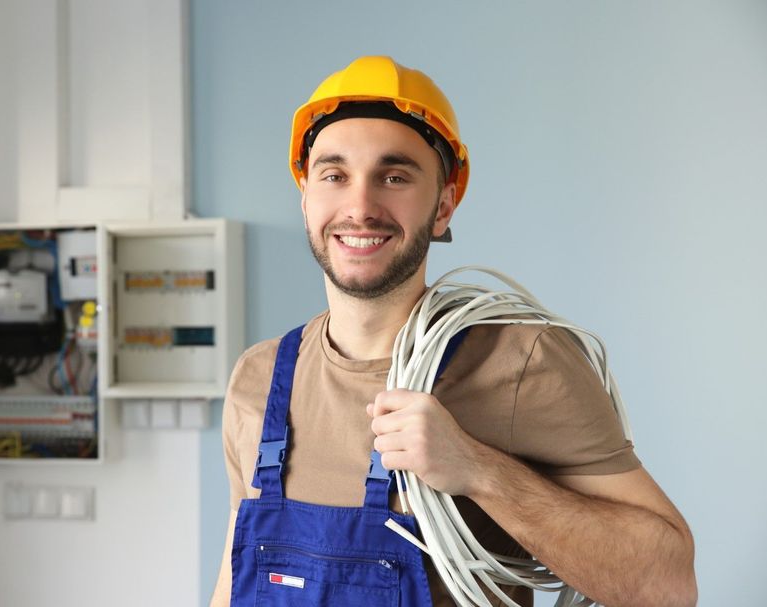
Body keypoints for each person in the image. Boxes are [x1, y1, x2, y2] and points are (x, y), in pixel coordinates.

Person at [211, 56, 697, 606]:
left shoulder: (519, 363)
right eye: (334, 175)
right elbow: (233, 585)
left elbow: (667, 586)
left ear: (443, 206)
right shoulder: (260, 377)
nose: (361, 206)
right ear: (305, 198)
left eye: (394, 176)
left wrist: (477, 468)